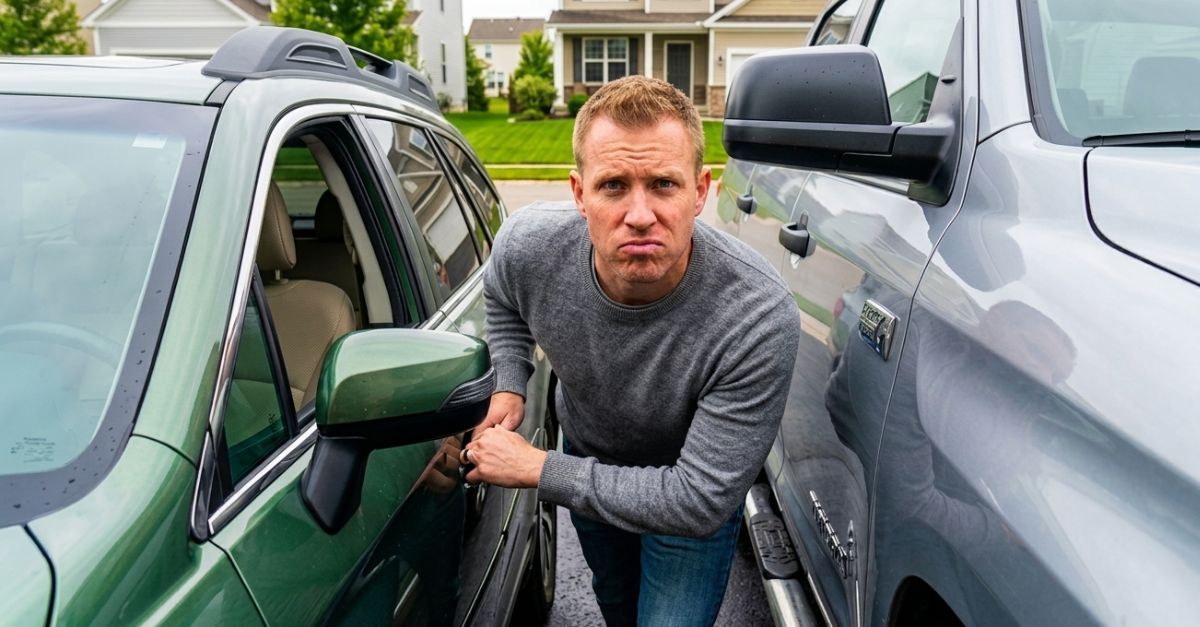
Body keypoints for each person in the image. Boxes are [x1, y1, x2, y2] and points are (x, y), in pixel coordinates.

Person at [461, 75, 801, 627]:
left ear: (700, 191)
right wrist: (508, 376)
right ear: (578, 193)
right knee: (618, 609)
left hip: (687, 492)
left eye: (663, 185)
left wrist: (542, 468)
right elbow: (501, 295)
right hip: (592, 453)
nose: (639, 214)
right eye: (614, 185)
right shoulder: (530, 246)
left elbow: (697, 500)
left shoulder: (755, 316)